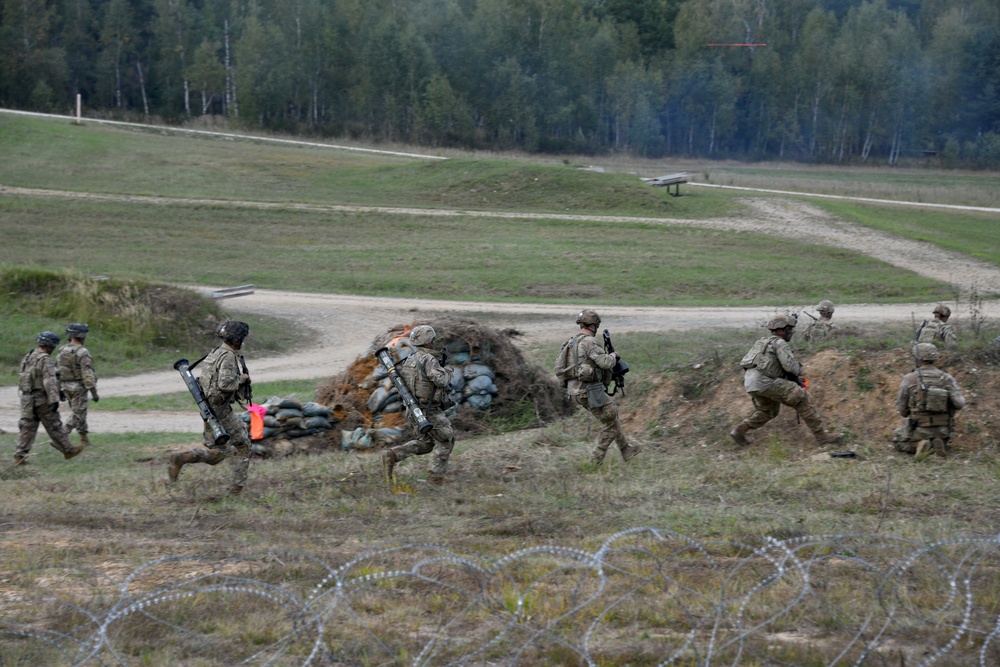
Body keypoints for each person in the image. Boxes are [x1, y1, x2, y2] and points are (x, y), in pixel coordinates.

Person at [730, 314, 844, 447]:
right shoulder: (780, 343)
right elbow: (790, 367)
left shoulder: (762, 343)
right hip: (765, 382)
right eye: (789, 329)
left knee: (769, 411)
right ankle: (822, 436)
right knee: (802, 398)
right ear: (780, 331)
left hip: (751, 383)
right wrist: (798, 369)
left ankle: (739, 430)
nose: (791, 332)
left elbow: (768, 366)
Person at [167, 321, 252, 495]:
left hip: (210, 409)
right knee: (243, 445)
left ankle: (183, 456)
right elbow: (225, 384)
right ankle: (236, 491)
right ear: (237, 340)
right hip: (220, 411)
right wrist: (243, 379)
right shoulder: (228, 357)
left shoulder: (215, 353)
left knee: (218, 454)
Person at [554, 309, 641, 465]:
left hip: (575, 391)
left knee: (610, 417)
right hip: (589, 390)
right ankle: (595, 460)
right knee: (610, 422)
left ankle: (626, 449)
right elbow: (605, 363)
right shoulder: (589, 341)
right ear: (593, 325)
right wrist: (613, 356)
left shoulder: (571, 342)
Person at [381, 325, 456, 483]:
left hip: (414, 410)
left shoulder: (410, 359)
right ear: (428, 341)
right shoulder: (428, 359)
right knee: (446, 440)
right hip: (429, 411)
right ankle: (436, 478)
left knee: (426, 444)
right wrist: (448, 371)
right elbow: (441, 380)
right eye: (432, 339)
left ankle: (392, 455)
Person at [14, 331, 85, 464]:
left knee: (27, 426)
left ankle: (20, 454)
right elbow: (49, 381)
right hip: (42, 399)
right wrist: (54, 399)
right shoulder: (45, 359)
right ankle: (68, 450)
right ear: (50, 345)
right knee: (54, 425)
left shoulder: (28, 356)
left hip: (27, 398)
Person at [891, 342, 965, 457]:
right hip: (943, 431)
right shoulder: (947, 378)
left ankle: (919, 445)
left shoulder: (909, 379)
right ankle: (938, 444)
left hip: (919, 430)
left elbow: (902, 410)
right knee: (941, 436)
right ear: (935, 358)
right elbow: (959, 404)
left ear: (917, 358)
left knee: (897, 439)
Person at [57, 322, 99, 447]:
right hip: (78, 387)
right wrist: (94, 392)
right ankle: (61, 436)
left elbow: (57, 371)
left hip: (65, 387)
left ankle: (84, 439)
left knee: (79, 412)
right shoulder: (82, 352)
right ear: (82, 336)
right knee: (78, 413)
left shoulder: (62, 350)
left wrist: (59, 389)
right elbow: (87, 374)